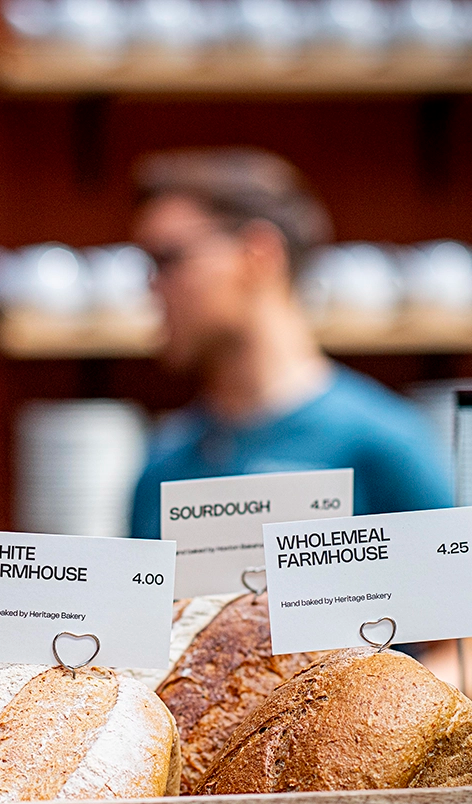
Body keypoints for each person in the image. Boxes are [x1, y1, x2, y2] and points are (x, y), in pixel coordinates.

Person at [128, 148, 453, 540]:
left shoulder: (383, 445)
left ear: (258, 255)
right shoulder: (165, 461)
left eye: (168, 258)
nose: (151, 285)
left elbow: (463, 578)